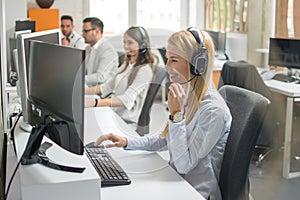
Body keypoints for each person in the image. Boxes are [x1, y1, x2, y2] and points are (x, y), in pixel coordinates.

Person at [92, 28, 232, 200]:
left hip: (195, 192)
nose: (167, 67)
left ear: (198, 65)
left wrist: (176, 115)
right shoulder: (188, 95)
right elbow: (164, 139)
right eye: (167, 59)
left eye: (174, 60)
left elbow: (183, 165)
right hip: (176, 182)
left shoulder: (213, 111)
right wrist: (127, 141)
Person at [85, 26, 158, 130]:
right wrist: (82, 91)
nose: (125, 46)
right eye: (124, 42)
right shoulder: (127, 64)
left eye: (130, 43)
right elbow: (106, 88)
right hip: (113, 114)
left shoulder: (144, 71)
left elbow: (126, 100)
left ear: (142, 45)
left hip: (124, 123)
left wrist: (95, 103)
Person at [82, 17, 119, 86]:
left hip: (102, 93)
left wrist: (80, 79)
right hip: (90, 88)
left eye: (86, 31)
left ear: (97, 31)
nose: (83, 35)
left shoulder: (108, 50)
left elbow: (100, 77)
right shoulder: (88, 48)